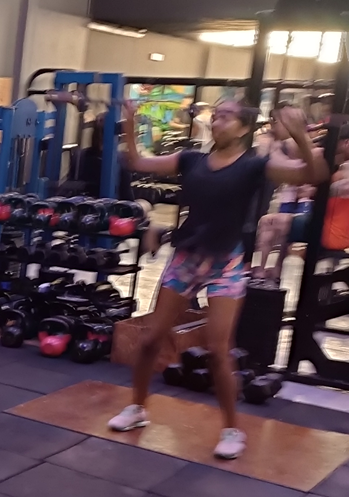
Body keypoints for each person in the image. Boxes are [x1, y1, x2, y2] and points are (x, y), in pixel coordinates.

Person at [109, 100, 327, 460]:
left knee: (218, 351)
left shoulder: (255, 166)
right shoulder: (191, 160)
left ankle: (231, 430)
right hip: (187, 257)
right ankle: (137, 408)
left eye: (226, 116)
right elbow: (137, 162)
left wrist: (300, 135)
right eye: (216, 115)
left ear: (244, 128)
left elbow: (313, 174)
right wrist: (130, 123)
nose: (216, 120)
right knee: (150, 341)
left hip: (226, 262)